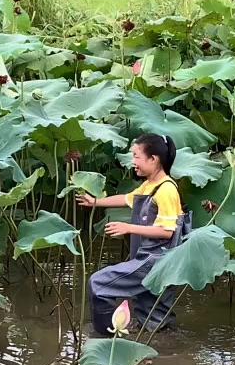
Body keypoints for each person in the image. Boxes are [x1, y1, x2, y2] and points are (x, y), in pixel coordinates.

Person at [77, 133, 192, 335]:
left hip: (156, 260)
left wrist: (128, 228)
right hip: (149, 258)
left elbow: (166, 232)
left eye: (136, 156)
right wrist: (94, 201)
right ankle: (162, 347)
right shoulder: (151, 184)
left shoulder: (166, 190)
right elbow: (127, 199)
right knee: (152, 314)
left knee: (99, 284)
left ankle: (106, 338)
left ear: (153, 159)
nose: (133, 162)